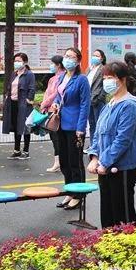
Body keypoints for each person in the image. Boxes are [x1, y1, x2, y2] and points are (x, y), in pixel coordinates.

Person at [88, 62, 136, 228]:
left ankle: (128, 243)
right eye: (105, 78)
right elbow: (98, 134)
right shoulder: (110, 104)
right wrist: (94, 157)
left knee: (123, 215)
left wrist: (104, 162)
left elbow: (123, 139)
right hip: (104, 166)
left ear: (122, 79)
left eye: (110, 78)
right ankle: (109, 242)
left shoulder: (129, 105)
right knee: (107, 213)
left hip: (122, 167)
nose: (106, 81)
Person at [54, 48, 90, 211]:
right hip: (61, 123)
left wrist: (80, 128)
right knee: (64, 161)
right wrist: (55, 103)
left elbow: (85, 105)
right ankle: (69, 190)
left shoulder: (82, 80)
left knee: (75, 162)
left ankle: (79, 195)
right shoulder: (62, 76)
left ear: (78, 61)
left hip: (74, 125)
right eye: (66, 56)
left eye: (71, 56)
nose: (67, 59)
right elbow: (59, 96)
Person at [1, 52, 37, 162]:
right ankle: (17, 150)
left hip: (24, 104)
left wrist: (29, 99)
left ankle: (26, 151)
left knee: (25, 127)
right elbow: (10, 86)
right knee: (16, 126)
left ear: (25, 62)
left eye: (19, 61)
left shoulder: (29, 74)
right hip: (13, 103)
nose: (16, 63)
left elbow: (32, 88)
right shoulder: (14, 73)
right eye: (15, 61)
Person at [40, 55, 65, 169]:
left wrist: (45, 103)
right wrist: (44, 105)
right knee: (53, 137)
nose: (51, 66)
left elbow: (55, 94)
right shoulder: (52, 79)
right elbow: (47, 93)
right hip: (49, 110)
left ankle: (59, 162)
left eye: (52, 64)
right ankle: (58, 161)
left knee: (56, 137)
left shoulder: (62, 78)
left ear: (58, 65)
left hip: (55, 110)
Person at [86, 49, 107, 143]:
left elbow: (105, 86)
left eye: (97, 56)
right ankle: (93, 144)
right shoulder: (89, 69)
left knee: (99, 123)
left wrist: (99, 98)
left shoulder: (103, 69)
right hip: (88, 100)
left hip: (97, 100)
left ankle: (99, 144)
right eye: (93, 55)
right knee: (91, 124)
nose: (94, 57)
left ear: (102, 58)